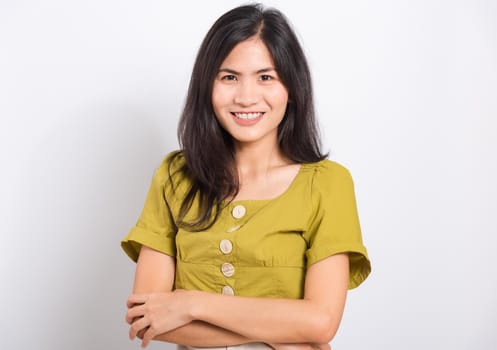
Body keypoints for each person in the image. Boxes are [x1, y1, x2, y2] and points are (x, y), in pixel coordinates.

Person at [121, 3, 371, 350]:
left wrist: (190, 303)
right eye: (229, 77)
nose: (246, 96)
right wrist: (285, 329)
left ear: (292, 89)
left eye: (266, 77)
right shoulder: (175, 176)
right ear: (207, 86)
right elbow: (148, 316)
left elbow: (321, 322)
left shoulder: (328, 184)